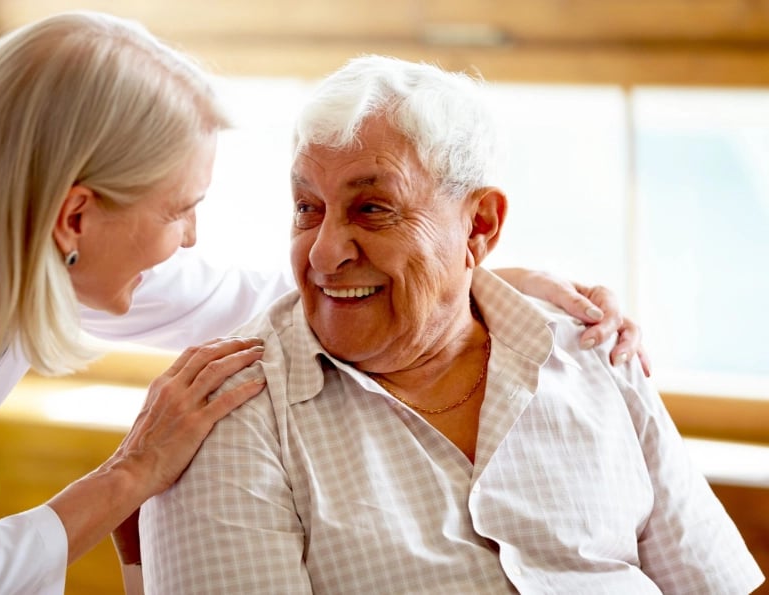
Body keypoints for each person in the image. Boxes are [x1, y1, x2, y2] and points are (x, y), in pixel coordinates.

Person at [0, 11, 646, 594]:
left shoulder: (29, 224)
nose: (189, 238)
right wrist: (127, 476)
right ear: (76, 215)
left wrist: (484, 278)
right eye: (180, 209)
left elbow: (285, 287)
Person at [139, 55, 765, 594]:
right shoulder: (230, 411)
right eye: (307, 207)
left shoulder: (595, 349)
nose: (325, 252)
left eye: (373, 208)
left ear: (480, 226)